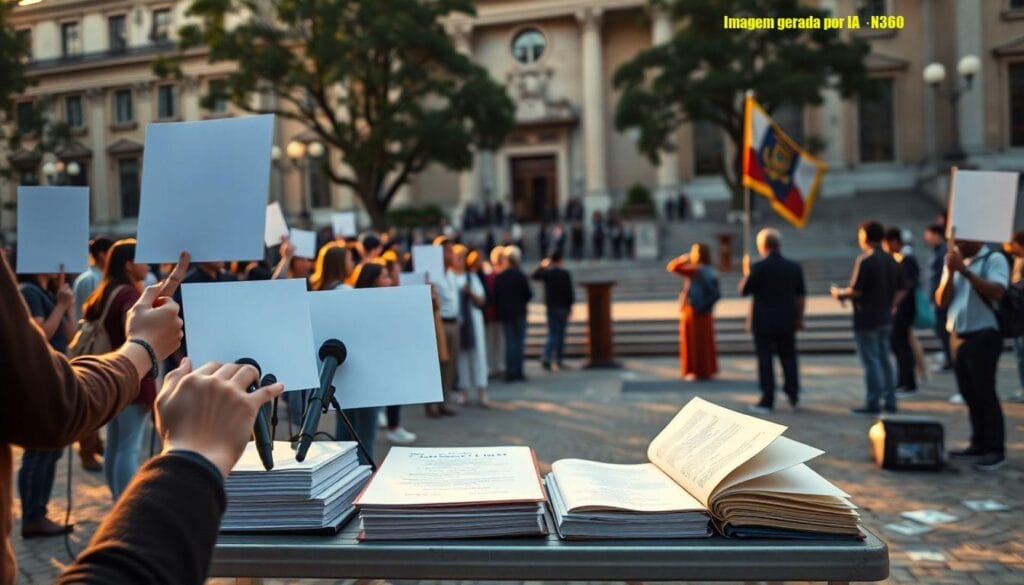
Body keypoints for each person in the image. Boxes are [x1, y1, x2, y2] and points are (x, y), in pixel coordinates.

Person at [80, 240, 159, 500]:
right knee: (128, 448)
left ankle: (117, 500)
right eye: (142, 258)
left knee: (116, 444)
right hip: (132, 378)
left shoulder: (107, 291)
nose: (148, 264)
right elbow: (136, 337)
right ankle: (126, 504)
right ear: (128, 264)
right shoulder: (128, 295)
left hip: (112, 374)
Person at [936, 236, 1009, 471]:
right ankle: (978, 443)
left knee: (985, 392)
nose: (956, 246)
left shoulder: (994, 259)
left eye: (961, 242)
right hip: (958, 334)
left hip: (984, 334)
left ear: (975, 240)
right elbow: (941, 300)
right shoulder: (955, 261)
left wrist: (965, 271)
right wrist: (950, 273)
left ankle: (996, 450)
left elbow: (997, 292)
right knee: (969, 393)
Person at [16, 270, 76, 538]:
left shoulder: (49, 293)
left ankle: (40, 511)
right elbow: (40, 335)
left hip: (56, 376)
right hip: (39, 378)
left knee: (53, 448)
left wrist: (68, 307)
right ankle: (32, 516)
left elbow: (70, 335)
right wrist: (61, 305)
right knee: (39, 449)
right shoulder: (29, 291)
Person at [831, 221, 906, 415]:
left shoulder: (866, 260)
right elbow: (902, 288)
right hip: (885, 318)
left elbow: (856, 291)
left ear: (865, 236)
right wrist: (892, 305)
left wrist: (839, 294)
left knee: (871, 362)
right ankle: (890, 401)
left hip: (866, 318)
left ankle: (873, 401)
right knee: (885, 360)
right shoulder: (891, 260)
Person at [739, 229, 805, 414]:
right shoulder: (793, 266)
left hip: (763, 322)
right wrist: (799, 318)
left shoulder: (758, 267)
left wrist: (746, 272)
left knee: (765, 361)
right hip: (787, 320)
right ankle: (793, 395)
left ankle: (767, 400)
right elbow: (801, 296)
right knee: (789, 358)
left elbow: (744, 291)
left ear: (763, 246)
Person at [333, 262, 393, 465]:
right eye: (385, 277)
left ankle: (345, 475)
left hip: (350, 377)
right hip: (363, 379)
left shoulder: (354, 302)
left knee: (347, 432)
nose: (390, 281)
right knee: (359, 434)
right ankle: (362, 479)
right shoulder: (369, 306)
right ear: (373, 280)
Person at [72, 236, 115, 472]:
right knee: (90, 398)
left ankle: (95, 444)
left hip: (98, 344)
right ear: (100, 254)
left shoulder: (96, 277)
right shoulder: (90, 280)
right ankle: (87, 450)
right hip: (91, 345)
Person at [667, 243, 719, 380]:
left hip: (693, 310)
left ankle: (695, 370)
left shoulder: (696, 270)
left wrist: (683, 259)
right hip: (706, 310)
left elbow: (672, 267)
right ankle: (707, 370)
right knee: (706, 343)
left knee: (693, 342)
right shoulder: (711, 270)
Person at [883, 227, 921, 395]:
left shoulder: (907, 259)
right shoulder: (902, 258)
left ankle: (907, 382)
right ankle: (903, 381)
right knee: (899, 345)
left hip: (904, 309)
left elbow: (906, 287)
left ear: (894, 242)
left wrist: (893, 304)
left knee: (901, 345)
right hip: (902, 308)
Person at [453, 246, 490, 407]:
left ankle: (482, 390)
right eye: (457, 257)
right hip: (458, 319)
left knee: (478, 354)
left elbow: (482, 300)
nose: (459, 261)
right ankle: (463, 390)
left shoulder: (471, 277)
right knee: (461, 355)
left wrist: (470, 293)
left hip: (473, 319)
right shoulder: (449, 277)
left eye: (462, 257)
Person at [430, 236, 461, 416]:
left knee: (450, 365)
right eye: (448, 250)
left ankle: (445, 401)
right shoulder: (433, 274)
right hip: (440, 322)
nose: (452, 254)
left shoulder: (451, 273)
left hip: (454, 322)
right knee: (438, 364)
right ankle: (433, 404)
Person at [531, 251, 575, 371]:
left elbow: (534, 275)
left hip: (552, 307)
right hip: (563, 307)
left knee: (553, 333)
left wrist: (542, 265)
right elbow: (569, 292)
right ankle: (558, 359)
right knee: (560, 334)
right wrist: (570, 307)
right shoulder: (565, 273)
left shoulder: (548, 273)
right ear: (560, 260)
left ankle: (548, 356)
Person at [494, 245, 533, 382]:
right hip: (519, 313)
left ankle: (510, 372)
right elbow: (528, 294)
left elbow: (495, 297)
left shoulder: (500, 277)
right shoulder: (520, 276)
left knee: (510, 344)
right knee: (519, 343)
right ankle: (518, 372)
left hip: (506, 314)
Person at [923, 224, 952, 371]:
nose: (925, 237)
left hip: (942, 299)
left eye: (927, 234)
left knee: (943, 330)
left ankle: (950, 359)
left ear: (936, 234)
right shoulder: (936, 251)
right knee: (940, 330)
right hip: (935, 298)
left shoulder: (943, 251)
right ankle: (948, 356)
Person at [1004, 231, 1024, 403]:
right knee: (1019, 354)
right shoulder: (1017, 260)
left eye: (1011, 243)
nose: (1007, 246)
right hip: (1017, 314)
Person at [484, 246, 506, 379]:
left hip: (493, 313)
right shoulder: (494, 276)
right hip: (495, 312)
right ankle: (496, 366)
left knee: (494, 340)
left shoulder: (490, 276)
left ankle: (494, 366)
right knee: (495, 341)